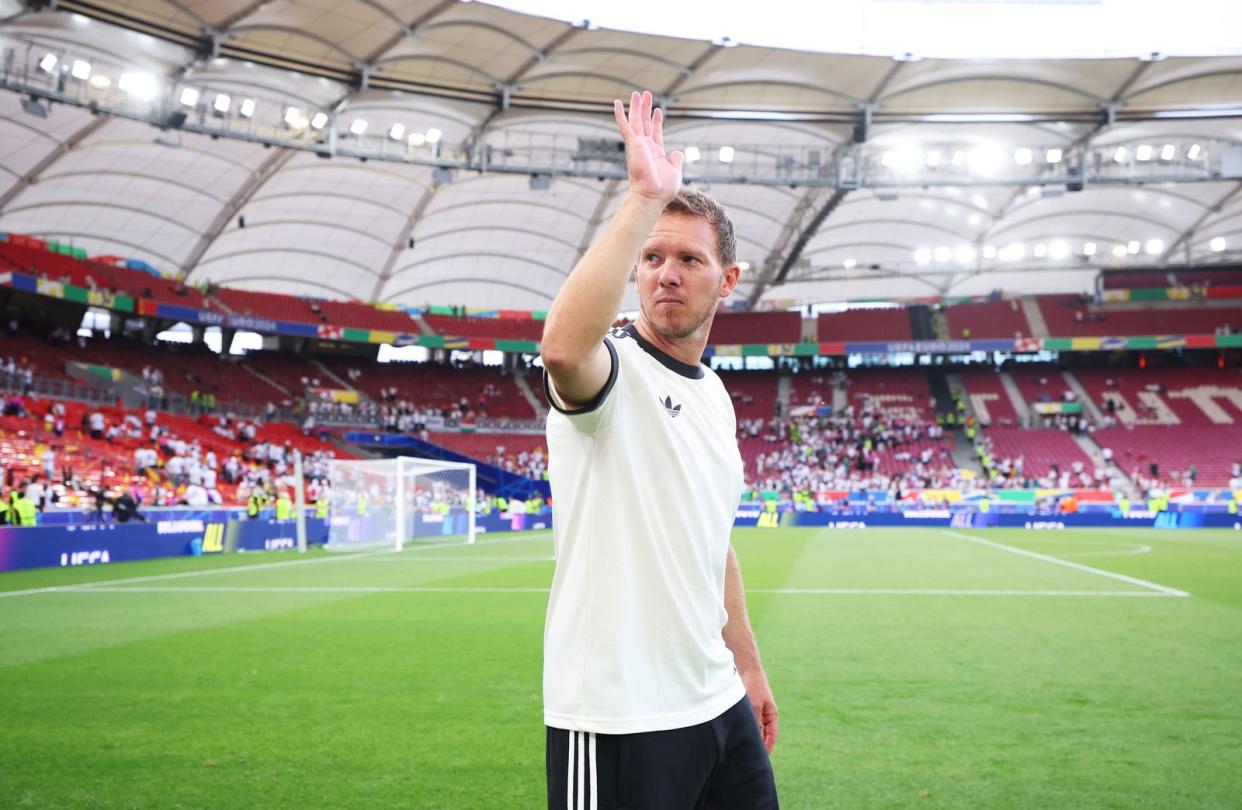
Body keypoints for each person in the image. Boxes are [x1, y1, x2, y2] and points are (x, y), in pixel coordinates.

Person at [540, 90, 778, 808]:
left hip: (715, 701)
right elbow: (560, 349)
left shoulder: (716, 396)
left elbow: (715, 542)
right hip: (619, 718)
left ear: (727, 281)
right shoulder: (611, 369)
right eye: (652, 257)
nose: (666, 271)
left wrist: (749, 668)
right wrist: (643, 197)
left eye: (688, 259)